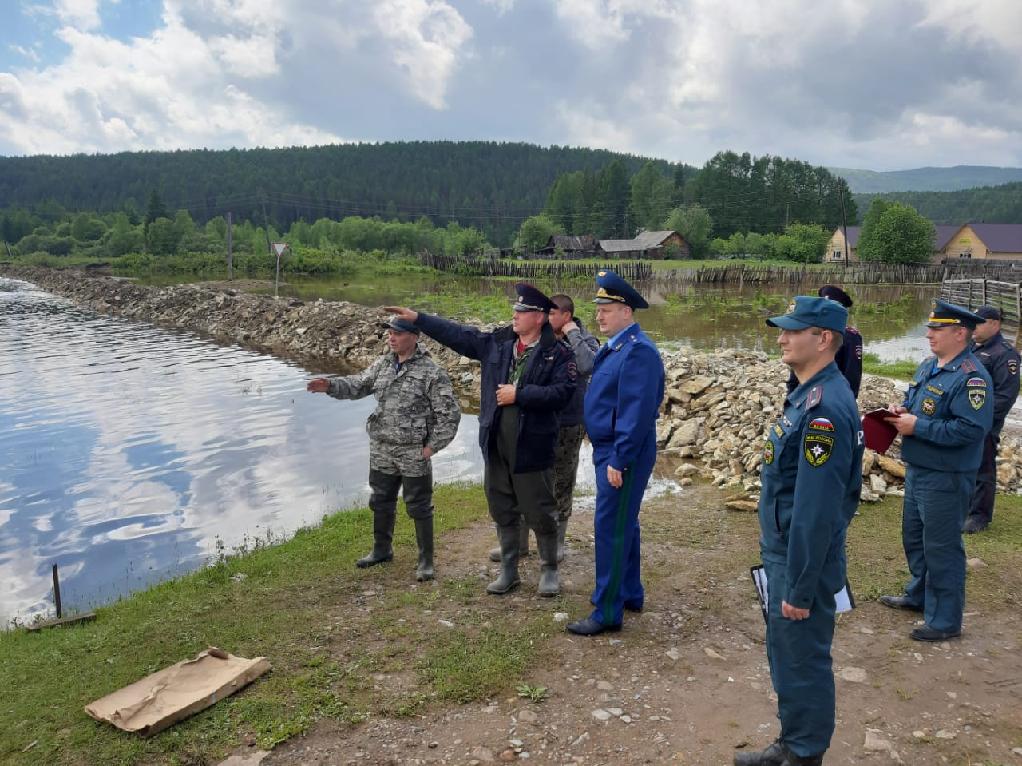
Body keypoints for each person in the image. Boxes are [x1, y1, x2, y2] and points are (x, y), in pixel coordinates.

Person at [384, 284, 576, 597]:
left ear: (539, 317)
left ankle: (549, 569)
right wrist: (419, 319)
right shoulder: (498, 343)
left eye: (522, 311)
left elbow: (564, 394)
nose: (514, 314)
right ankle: (509, 571)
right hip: (496, 443)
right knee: (501, 505)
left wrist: (521, 395)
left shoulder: (558, 352)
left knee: (540, 509)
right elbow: (458, 335)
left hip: (533, 446)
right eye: (515, 309)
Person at [736, 297, 863, 766]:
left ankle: (805, 754)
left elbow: (816, 511)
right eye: (781, 330)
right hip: (785, 552)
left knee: (803, 660)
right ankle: (791, 742)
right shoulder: (809, 393)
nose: (781, 337)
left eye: (793, 331)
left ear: (824, 339)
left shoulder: (825, 409)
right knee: (786, 656)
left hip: (799, 558)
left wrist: (802, 586)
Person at [307, 316, 461, 581]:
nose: (391, 337)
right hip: (381, 448)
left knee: (419, 506)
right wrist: (331, 385)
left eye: (398, 333)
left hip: (413, 451)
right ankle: (381, 550)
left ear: (414, 336)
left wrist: (432, 447)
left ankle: (425, 561)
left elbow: (449, 414)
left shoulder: (431, 372)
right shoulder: (383, 365)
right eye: (389, 333)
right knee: (380, 500)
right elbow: (358, 384)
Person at [880, 300, 993, 641]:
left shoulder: (972, 378)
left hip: (947, 475)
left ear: (960, 333)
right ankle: (919, 595)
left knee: (942, 546)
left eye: (937, 329)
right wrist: (902, 411)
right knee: (915, 538)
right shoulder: (929, 366)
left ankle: (945, 619)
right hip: (919, 469)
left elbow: (972, 430)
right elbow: (921, 406)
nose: (928, 334)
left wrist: (919, 428)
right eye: (929, 328)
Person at [566, 271, 664, 637]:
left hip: (623, 452)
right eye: (599, 309)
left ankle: (608, 610)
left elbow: (636, 413)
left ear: (626, 311)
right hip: (612, 447)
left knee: (610, 528)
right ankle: (630, 593)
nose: (600, 315)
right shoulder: (619, 345)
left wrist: (619, 460)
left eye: (607, 309)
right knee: (626, 523)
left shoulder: (638, 352)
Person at [492, 294, 600, 564]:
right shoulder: (539, 341)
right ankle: (520, 543)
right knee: (526, 481)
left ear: (566, 316)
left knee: (561, 483)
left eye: (552, 315)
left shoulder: (585, 340)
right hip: (536, 421)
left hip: (568, 423)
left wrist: (572, 333)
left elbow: (588, 365)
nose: (546, 319)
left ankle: (557, 544)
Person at [964, 305, 1020, 533]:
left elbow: (1005, 396)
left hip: (984, 423)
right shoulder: (971, 347)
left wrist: (980, 418)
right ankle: (964, 508)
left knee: (983, 467)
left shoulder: (1005, 354)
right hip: (963, 420)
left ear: (995, 324)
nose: (974, 327)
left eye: (979, 322)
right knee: (964, 465)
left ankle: (979, 516)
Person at [786, 285, 863, 397]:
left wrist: (846, 404)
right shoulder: (809, 331)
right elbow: (796, 371)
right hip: (804, 396)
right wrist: (791, 399)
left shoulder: (849, 337)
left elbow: (852, 376)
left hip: (832, 397)